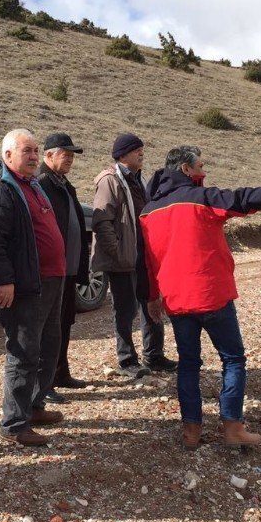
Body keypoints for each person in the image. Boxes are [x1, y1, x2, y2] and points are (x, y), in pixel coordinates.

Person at [140, 145, 261, 449]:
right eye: (200, 166)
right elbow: (243, 198)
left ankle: (191, 432)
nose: (204, 171)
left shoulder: (148, 211)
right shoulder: (202, 198)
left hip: (176, 299)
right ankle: (233, 428)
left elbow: (146, 261)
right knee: (233, 359)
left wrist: (150, 296)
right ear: (186, 170)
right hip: (212, 294)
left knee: (188, 364)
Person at [0, 129, 66, 446]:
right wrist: (4, 280)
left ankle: (34, 405)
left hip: (50, 282)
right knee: (24, 352)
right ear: (7, 155)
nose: (32, 156)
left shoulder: (34, 186)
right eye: (26, 150)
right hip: (25, 286)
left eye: (35, 150)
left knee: (48, 347)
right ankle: (14, 423)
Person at [91, 133, 173, 378]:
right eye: (137, 149)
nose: (142, 153)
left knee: (151, 302)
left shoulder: (139, 180)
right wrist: (117, 252)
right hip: (123, 259)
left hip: (142, 256)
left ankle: (154, 355)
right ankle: (127, 360)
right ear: (123, 154)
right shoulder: (110, 181)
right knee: (125, 311)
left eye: (142, 149)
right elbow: (102, 220)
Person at [37, 132, 91, 404]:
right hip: (51, 270)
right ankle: (43, 383)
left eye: (72, 155)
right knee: (48, 327)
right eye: (65, 154)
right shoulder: (42, 183)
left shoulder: (62, 182)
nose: (70, 159)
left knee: (64, 322)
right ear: (48, 156)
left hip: (67, 268)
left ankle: (60, 373)